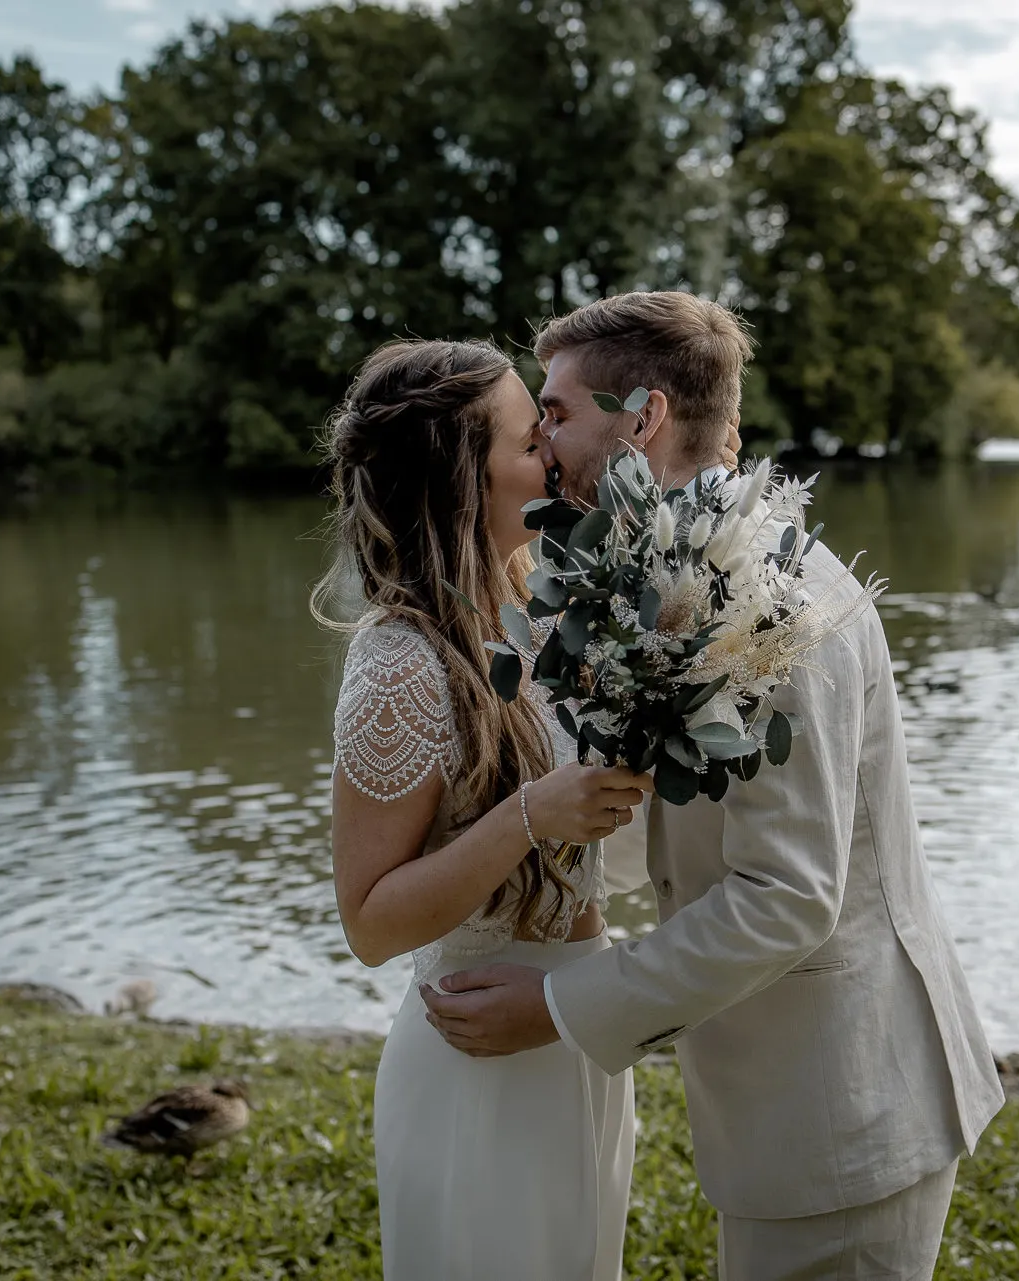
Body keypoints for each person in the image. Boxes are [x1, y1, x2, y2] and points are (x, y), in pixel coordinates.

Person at [420, 292, 1005, 1281]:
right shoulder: (670, 582)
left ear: (642, 417)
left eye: (557, 412)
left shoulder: (770, 604)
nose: (542, 441)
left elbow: (787, 898)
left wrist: (561, 1007)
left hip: (844, 1107)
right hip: (792, 1101)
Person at [315, 338, 653, 1280]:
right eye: (525, 434)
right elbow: (371, 922)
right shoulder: (399, 666)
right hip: (475, 1055)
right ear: (463, 479)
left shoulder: (543, 613)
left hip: (574, 1028)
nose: (551, 446)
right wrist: (528, 817)